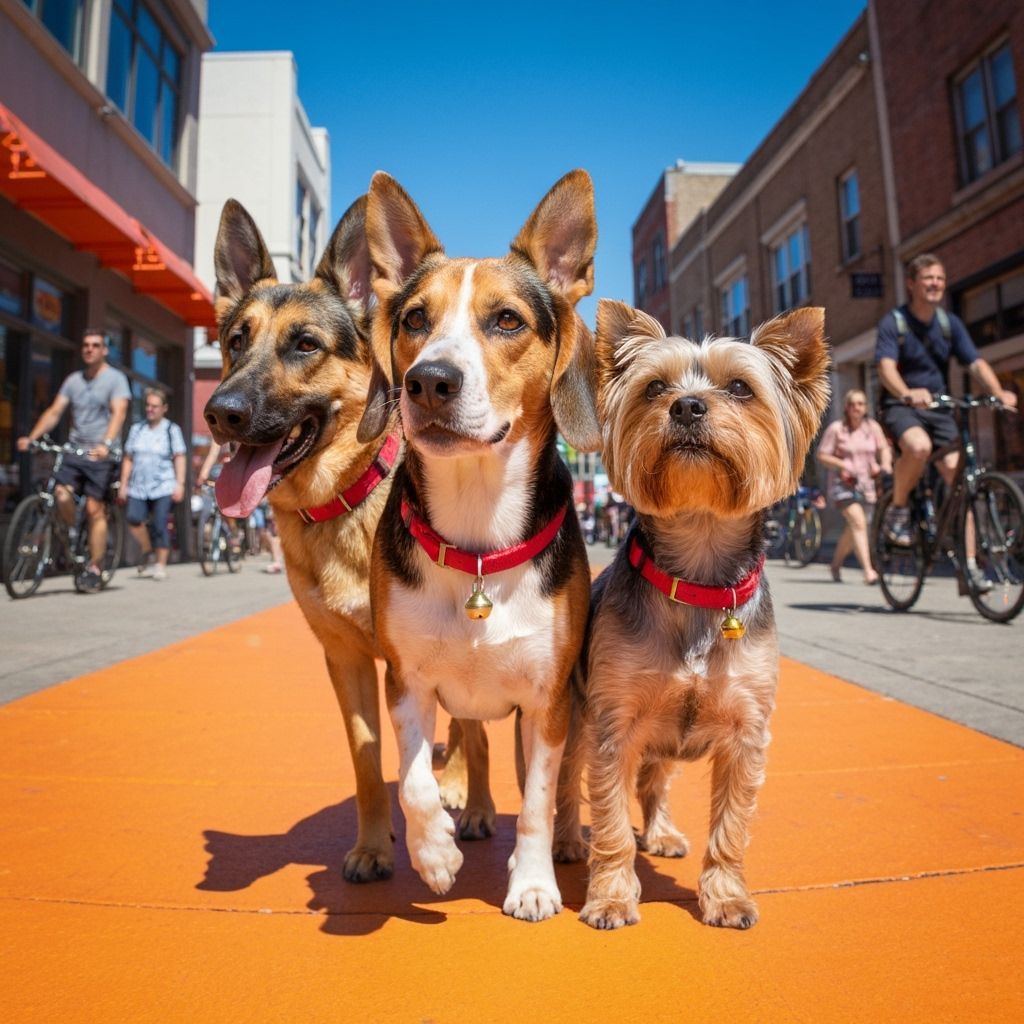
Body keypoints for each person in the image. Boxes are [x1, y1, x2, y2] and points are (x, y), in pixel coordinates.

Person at [875, 254, 1017, 591]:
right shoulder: (895, 322)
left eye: (940, 278)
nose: (936, 283)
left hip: (939, 407)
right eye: (928, 278)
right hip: (902, 405)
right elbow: (885, 368)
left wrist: (998, 391)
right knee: (919, 447)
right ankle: (897, 508)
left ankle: (968, 568)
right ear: (912, 283)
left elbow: (975, 362)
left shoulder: (948, 323)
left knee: (959, 479)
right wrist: (907, 392)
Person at [17, 329, 130, 593]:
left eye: (95, 345)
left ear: (104, 351)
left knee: (94, 509)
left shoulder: (116, 379)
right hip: (74, 451)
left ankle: (95, 566)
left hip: (101, 455)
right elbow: (55, 411)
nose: (89, 349)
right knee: (61, 495)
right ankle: (71, 534)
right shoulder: (73, 380)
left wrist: (106, 444)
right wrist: (32, 437)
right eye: (86, 345)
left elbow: (119, 413)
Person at [817, 389, 892, 585]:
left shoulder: (872, 427)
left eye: (860, 404)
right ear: (846, 407)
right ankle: (869, 571)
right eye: (852, 404)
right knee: (858, 523)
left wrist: (884, 465)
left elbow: (884, 448)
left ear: (865, 407)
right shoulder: (836, 429)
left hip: (867, 484)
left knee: (855, 527)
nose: (856, 408)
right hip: (843, 485)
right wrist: (842, 465)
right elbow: (822, 455)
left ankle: (835, 564)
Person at [118, 388, 187, 581]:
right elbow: (128, 458)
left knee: (159, 524)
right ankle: (148, 549)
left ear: (164, 408)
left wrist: (179, 484)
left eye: (154, 406)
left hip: (163, 486)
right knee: (133, 518)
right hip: (138, 486)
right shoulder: (136, 429)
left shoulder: (171, 430)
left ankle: (160, 564)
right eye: (147, 405)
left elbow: (180, 457)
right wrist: (123, 484)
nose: (150, 409)